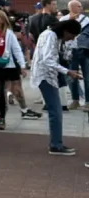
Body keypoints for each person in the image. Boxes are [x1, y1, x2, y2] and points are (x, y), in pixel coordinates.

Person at [30, 18, 82, 156]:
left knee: (56, 111)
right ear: (66, 31)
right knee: (56, 111)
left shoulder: (52, 35)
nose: (71, 38)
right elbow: (47, 59)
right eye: (72, 35)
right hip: (45, 76)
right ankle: (56, 145)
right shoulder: (50, 36)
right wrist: (68, 71)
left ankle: (56, 143)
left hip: (47, 75)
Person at [67, 0, 89, 110]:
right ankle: (75, 100)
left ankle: (88, 102)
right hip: (71, 51)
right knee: (72, 76)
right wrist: (70, 21)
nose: (80, 8)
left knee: (87, 76)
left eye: (80, 6)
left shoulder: (87, 20)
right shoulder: (64, 19)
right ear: (71, 7)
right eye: (78, 6)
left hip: (84, 51)